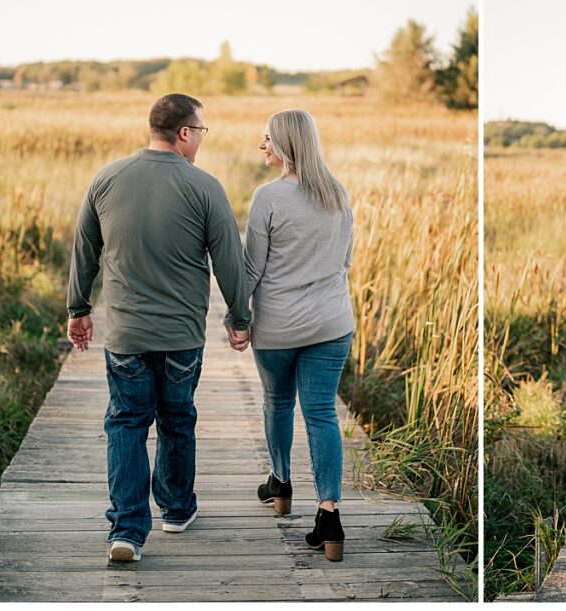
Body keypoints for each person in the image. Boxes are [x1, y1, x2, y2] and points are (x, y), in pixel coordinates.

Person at [66, 93, 251, 564]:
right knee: (176, 418)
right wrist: (239, 317)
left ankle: (126, 530)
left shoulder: (105, 179)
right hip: (181, 337)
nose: (201, 140)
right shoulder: (205, 186)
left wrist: (78, 309)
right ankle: (175, 509)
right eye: (201, 131)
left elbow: (84, 251)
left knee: (126, 423)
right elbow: (229, 261)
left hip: (125, 333)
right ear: (184, 133)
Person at [227, 108, 355, 563]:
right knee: (321, 413)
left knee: (278, 402)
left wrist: (237, 318)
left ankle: (280, 483)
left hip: (279, 326)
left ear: (285, 144)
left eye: (266, 138)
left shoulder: (269, 197)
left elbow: (251, 269)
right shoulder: (337, 192)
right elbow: (345, 261)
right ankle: (329, 515)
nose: (261, 146)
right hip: (333, 323)